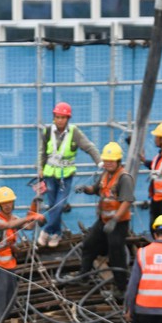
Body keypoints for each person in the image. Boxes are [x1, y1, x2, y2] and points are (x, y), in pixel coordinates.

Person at [0, 185, 44, 323]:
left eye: (10, 202)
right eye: (4, 203)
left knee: (9, 301)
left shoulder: (13, 218)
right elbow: (9, 225)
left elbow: (29, 226)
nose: (8, 205)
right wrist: (27, 219)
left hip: (9, 265)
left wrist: (33, 209)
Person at [74, 142, 134, 300]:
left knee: (116, 255)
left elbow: (127, 201)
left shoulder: (124, 178)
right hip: (104, 221)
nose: (108, 163)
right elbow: (96, 189)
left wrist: (114, 220)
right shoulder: (105, 175)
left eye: (111, 161)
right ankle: (84, 276)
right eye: (106, 161)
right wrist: (85, 189)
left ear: (118, 161)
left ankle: (121, 289)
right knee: (89, 244)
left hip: (118, 223)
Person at [38, 101, 101, 248]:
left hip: (65, 176)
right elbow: (42, 151)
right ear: (54, 117)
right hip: (49, 174)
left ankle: (46, 230)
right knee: (53, 205)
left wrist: (99, 162)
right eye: (57, 117)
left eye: (63, 117)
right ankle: (56, 233)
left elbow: (89, 147)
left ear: (68, 119)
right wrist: (40, 168)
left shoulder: (74, 132)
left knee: (59, 205)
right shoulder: (47, 131)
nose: (60, 120)